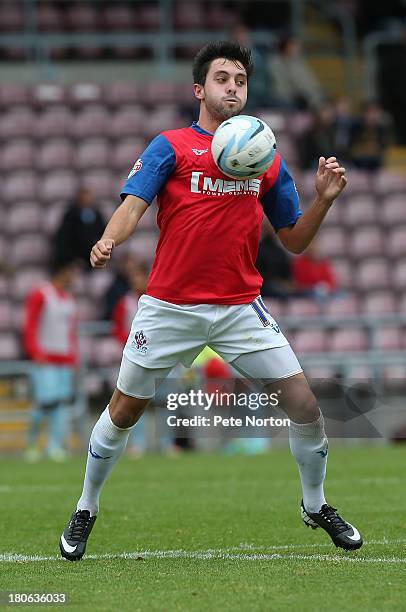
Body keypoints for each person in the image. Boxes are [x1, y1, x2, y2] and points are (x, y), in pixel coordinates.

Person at [59, 41, 362, 561]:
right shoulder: (171, 146)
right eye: (222, 78)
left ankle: (315, 504)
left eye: (240, 80)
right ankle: (86, 505)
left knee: (306, 405)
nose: (232, 88)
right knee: (125, 409)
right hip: (169, 306)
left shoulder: (263, 154)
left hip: (240, 307)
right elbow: (133, 206)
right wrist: (110, 240)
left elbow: (292, 239)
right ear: (200, 89)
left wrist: (323, 202)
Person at [22, 260, 78, 462]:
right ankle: (31, 443)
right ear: (62, 272)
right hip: (44, 358)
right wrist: (34, 351)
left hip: (64, 359)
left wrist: (73, 357)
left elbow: (70, 332)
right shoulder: (41, 294)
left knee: (60, 405)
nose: (74, 277)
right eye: (71, 272)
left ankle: (54, 445)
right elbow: (30, 324)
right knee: (44, 404)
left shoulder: (69, 299)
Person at [53, 187, 105, 269]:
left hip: (94, 260)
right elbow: (64, 239)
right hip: (74, 262)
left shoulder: (98, 215)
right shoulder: (70, 216)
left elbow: (103, 235)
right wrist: (73, 259)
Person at [269, 34, 324, 111]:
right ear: (285, 46)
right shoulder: (276, 62)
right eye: (293, 45)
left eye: (296, 45)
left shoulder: (299, 62)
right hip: (288, 99)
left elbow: (310, 83)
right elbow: (283, 86)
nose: (296, 48)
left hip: (307, 99)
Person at [256, 221, 293, 299]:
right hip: (263, 287)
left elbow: (287, 276)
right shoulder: (257, 250)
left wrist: (284, 284)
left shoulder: (280, 251)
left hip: (278, 287)